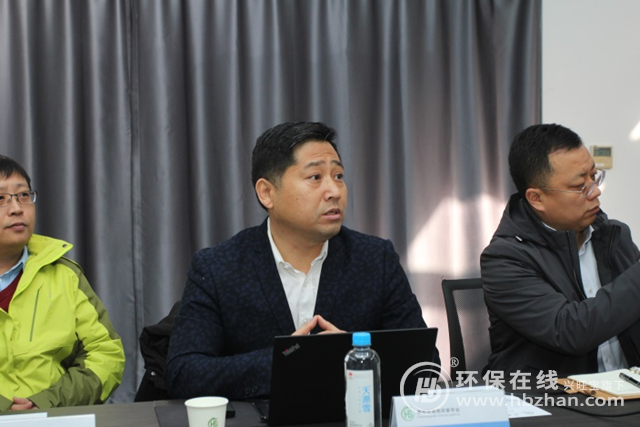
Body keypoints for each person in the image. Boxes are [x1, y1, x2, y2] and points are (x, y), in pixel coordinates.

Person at [166, 121, 438, 399]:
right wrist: (286, 359)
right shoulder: (218, 267)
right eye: (315, 177)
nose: (334, 191)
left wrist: (355, 357)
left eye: (339, 176)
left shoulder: (375, 259)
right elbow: (183, 374)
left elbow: (425, 366)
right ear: (267, 193)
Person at [481, 124, 640, 379]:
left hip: (625, 391)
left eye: (594, 176)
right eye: (579, 186)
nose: (595, 191)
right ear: (537, 198)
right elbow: (570, 331)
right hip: (549, 396)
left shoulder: (613, 236)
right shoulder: (505, 258)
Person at [0, 155, 125, 412]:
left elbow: (106, 354)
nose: (16, 208)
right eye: (0, 198)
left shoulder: (65, 275)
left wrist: (48, 402)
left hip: (55, 417)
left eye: (23, 195)